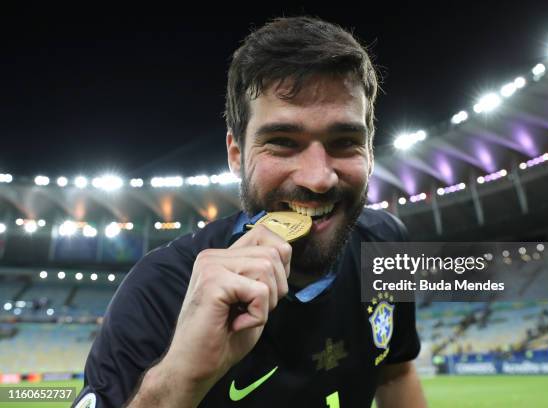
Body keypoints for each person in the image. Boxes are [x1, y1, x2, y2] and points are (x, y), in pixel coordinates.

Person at [72, 16, 426, 408]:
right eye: (282, 142)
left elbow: (396, 372)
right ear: (236, 155)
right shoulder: (160, 291)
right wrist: (180, 380)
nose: (318, 178)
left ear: (371, 152)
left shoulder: (388, 243)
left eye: (345, 142)